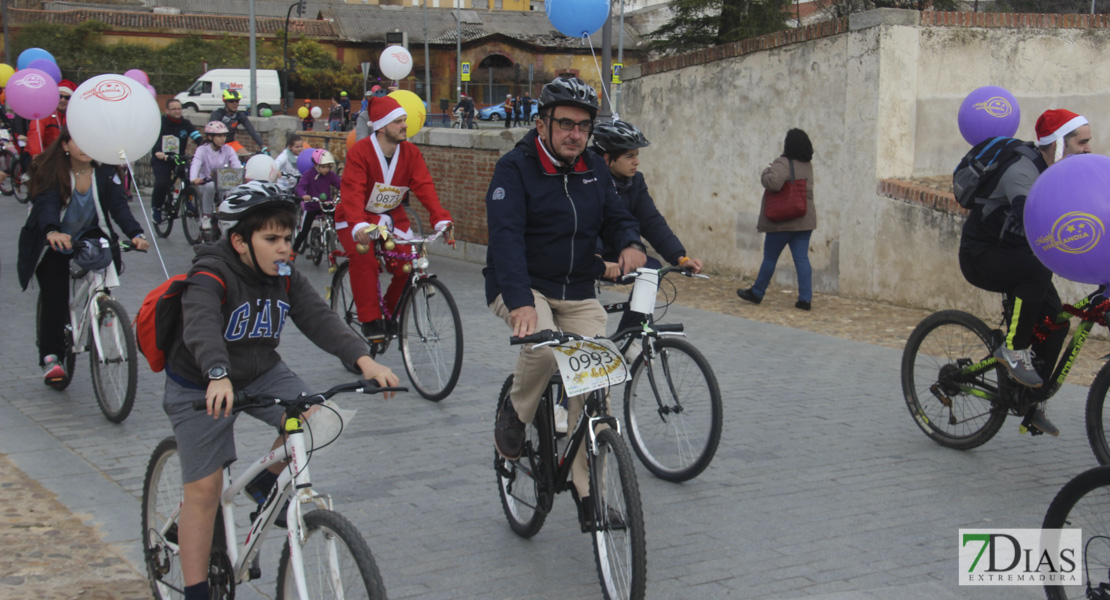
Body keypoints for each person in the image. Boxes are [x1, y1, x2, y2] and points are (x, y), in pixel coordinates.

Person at [159, 182, 399, 600]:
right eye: (271, 239)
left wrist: (365, 360)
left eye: (288, 238)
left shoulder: (284, 275)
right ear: (239, 241)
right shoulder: (211, 273)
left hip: (259, 371)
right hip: (201, 382)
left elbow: (318, 318)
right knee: (204, 490)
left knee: (322, 416)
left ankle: (262, 488)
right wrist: (216, 373)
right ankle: (196, 591)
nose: (284, 248)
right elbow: (200, 325)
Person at [485, 76, 646, 531]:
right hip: (521, 284)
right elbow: (507, 238)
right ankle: (515, 413)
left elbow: (617, 216)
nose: (575, 134)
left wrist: (630, 242)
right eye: (565, 125)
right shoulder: (513, 169)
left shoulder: (593, 166)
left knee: (595, 386)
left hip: (576, 289)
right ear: (542, 123)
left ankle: (587, 490)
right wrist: (520, 302)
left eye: (583, 126)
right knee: (541, 343)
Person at [956, 108, 1092, 436]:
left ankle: (1029, 403)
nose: (1089, 149)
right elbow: (1034, 223)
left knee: (1056, 323)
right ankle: (1013, 349)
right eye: (1082, 142)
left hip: (1016, 254)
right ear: (1058, 144)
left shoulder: (1057, 170)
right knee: (1035, 270)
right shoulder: (1022, 171)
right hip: (982, 255)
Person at [16, 127, 150, 385]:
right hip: (55, 238)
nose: (85, 147)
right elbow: (47, 205)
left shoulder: (105, 171)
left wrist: (136, 233)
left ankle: (104, 310)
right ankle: (52, 357)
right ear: (65, 145)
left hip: (90, 234)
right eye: (78, 142)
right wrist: (53, 231)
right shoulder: (52, 171)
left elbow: (119, 208)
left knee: (107, 262)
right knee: (55, 296)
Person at [338, 94, 453, 341]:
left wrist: (440, 219)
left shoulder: (410, 153)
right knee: (364, 258)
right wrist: (358, 223)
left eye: (404, 120)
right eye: (398, 121)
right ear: (381, 126)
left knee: (409, 263)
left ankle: (388, 313)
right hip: (356, 216)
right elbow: (352, 189)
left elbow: (424, 186)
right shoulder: (360, 152)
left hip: (391, 217)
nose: (405, 125)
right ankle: (370, 320)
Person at [590, 120, 703, 338]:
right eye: (630, 156)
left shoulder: (635, 181)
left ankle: (629, 334)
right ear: (608, 160)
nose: (637, 162)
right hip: (587, 254)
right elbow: (586, 226)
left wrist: (680, 258)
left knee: (652, 268)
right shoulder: (587, 180)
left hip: (620, 253)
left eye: (637, 155)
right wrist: (596, 259)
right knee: (587, 318)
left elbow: (651, 221)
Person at [737, 128, 817, 311]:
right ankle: (805, 299)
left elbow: (773, 183)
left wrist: (767, 169)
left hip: (782, 221)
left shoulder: (782, 163)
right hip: (804, 220)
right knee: (802, 259)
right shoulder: (807, 164)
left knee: (770, 258)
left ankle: (757, 292)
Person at [152, 98, 204, 223]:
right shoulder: (160, 123)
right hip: (162, 158)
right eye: (173, 109)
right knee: (162, 183)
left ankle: (188, 199)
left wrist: (206, 146)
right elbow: (155, 140)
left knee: (189, 178)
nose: (177, 111)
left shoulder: (185, 124)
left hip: (178, 158)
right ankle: (157, 207)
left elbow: (197, 137)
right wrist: (158, 152)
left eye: (179, 108)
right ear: (167, 110)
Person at [190, 121, 243, 231]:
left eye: (224, 135)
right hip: (206, 181)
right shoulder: (202, 150)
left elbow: (236, 165)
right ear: (210, 137)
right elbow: (196, 163)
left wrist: (241, 174)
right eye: (219, 136)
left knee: (235, 189)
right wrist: (194, 178)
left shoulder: (228, 149)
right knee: (210, 187)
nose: (222, 139)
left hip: (224, 181)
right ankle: (206, 216)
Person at [292, 149, 341, 257]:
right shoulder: (309, 174)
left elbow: (340, 184)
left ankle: (334, 236)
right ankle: (293, 251)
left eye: (329, 167)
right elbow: (300, 187)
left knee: (339, 220)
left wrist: (346, 191)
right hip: (312, 205)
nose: (326, 170)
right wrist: (304, 195)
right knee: (304, 231)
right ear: (315, 165)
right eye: (323, 167)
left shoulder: (330, 175)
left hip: (326, 204)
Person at [208, 90, 267, 155]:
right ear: (225, 102)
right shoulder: (218, 114)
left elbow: (252, 131)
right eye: (231, 101)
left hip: (231, 143)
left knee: (246, 156)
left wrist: (262, 146)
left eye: (237, 101)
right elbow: (212, 133)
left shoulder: (239, 116)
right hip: (217, 144)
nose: (235, 103)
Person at [28, 79, 76, 158]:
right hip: (44, 155)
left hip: (66, 156)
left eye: (67, 97)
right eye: (60, 96)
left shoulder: (73, 117)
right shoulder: (44, 113)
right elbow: (36, 134)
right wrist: (36, 155)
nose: (63, 100)